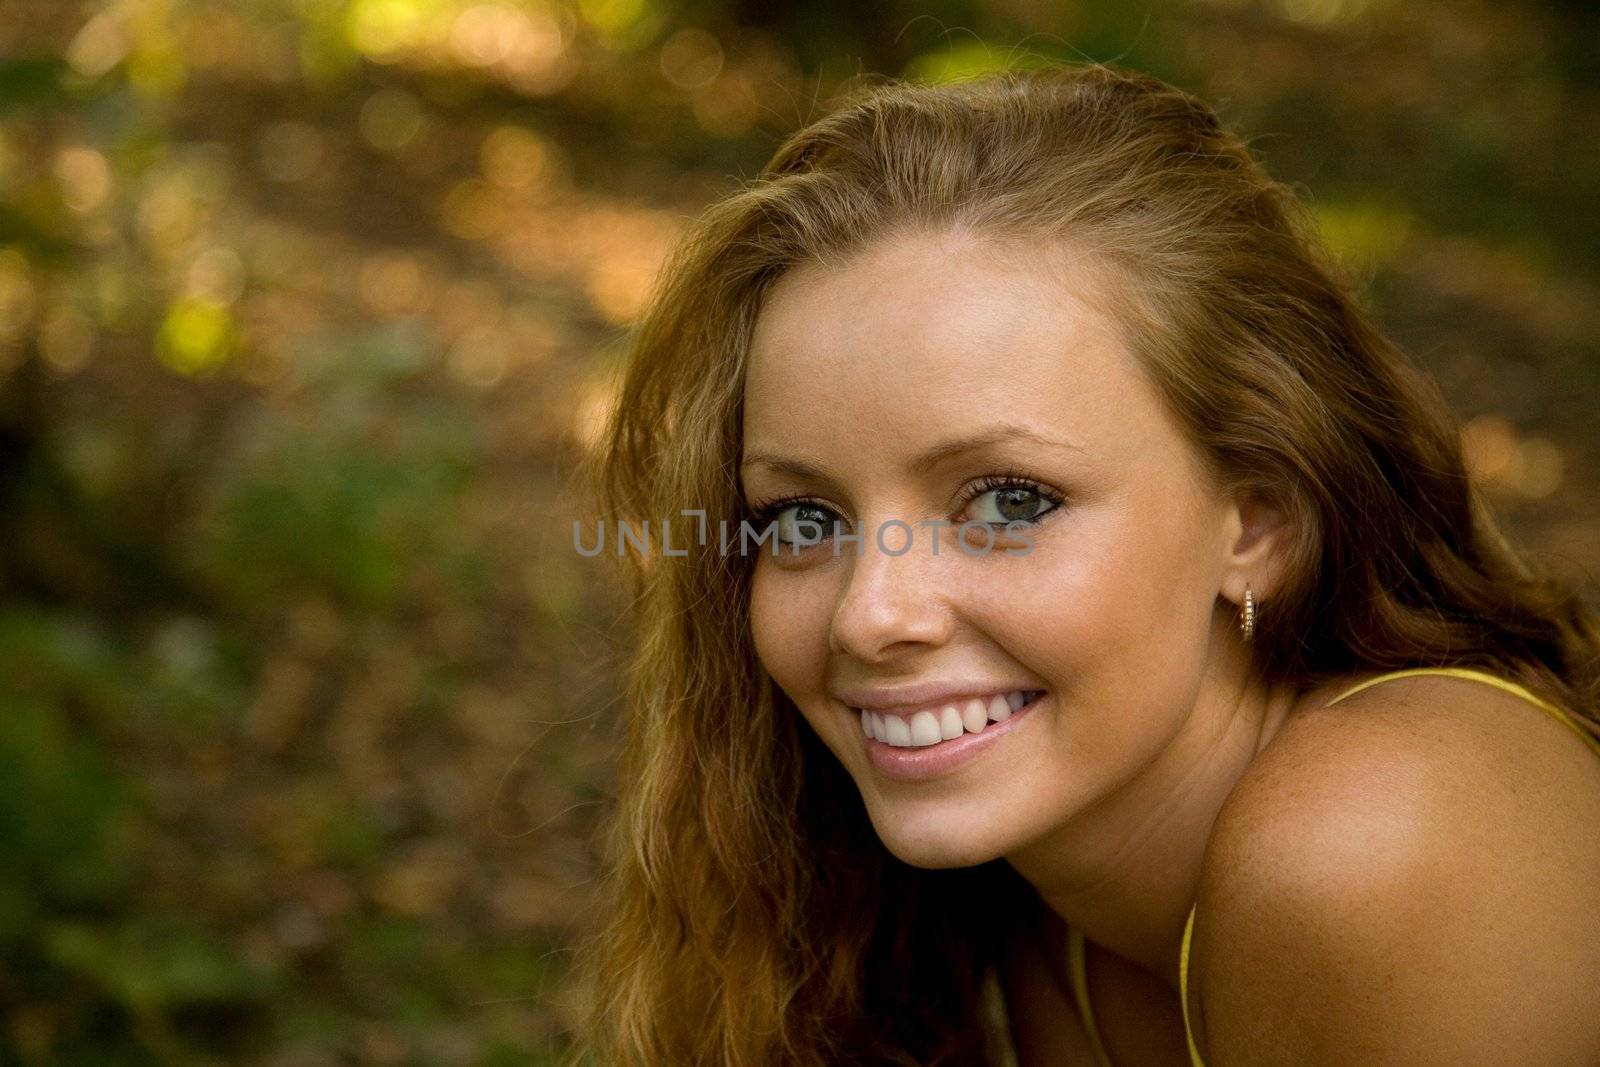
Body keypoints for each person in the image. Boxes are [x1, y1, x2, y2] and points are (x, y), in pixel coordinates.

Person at [566, 62, 1600, 1066]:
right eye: (801, 518)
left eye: (1011, 500)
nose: (870, 613)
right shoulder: (1043, 889)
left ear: (1257, 524)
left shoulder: (1364, 844)